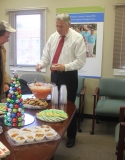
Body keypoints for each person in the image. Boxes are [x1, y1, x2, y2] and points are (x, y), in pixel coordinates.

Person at [36, 13, 86, 148]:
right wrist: (41, 64)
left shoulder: (77, 38)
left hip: (69, 76)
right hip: (55, 75)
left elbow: (81, 61)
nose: (58, 29)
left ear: (69, 25)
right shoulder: (53, 37)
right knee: (54, 104)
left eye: (61, 26)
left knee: (68, 106)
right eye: (56, 26)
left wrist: (65, 66)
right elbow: (46, 54)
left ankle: (71, 136)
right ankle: (56, 132)